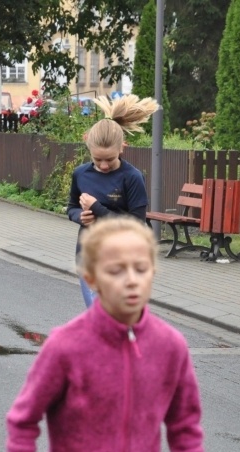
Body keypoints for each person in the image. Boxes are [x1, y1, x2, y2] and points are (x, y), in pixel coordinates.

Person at [6, 217, 214, 452]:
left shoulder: (171, 346)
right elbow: (22, 421)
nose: (131, 280)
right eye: (116, 271)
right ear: (91, 278)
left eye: (140, 269)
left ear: (153, 272)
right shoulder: (65, 346)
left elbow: (185, 425)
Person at [67, 94, 158, 309]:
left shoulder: (132, 177)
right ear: (87, 145)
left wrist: (97, 208)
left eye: (109, 159)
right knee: (99, 318)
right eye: (97, 160)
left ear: (122, 148)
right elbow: (71, 207)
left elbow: (136, 225)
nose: (104, 165)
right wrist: (80, 216)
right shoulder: (80, 174)